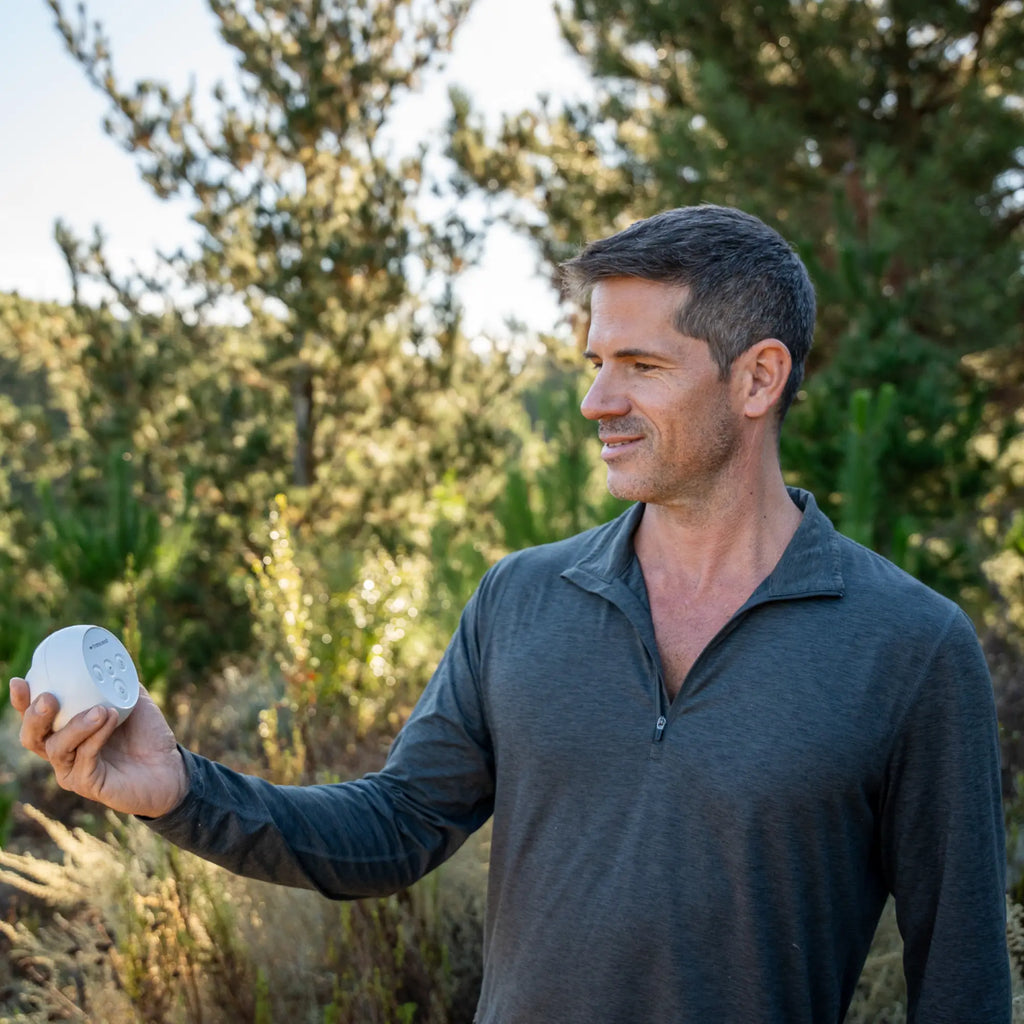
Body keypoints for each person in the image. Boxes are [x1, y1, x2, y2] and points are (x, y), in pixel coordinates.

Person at [13, 205, 1011, 1023]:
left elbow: (961, 981)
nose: (596, 399)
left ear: (756, 378)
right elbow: (395, 827)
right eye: (593, 360)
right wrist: (179, 786)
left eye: (642, 365)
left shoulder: (909, 646)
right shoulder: (522, 597)